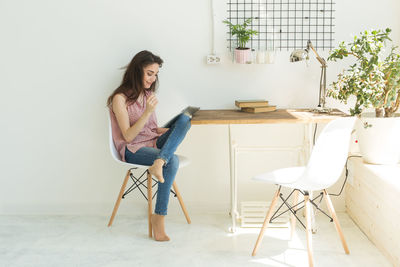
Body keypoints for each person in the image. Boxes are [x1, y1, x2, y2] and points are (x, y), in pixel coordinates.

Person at [107, 50, 191, 241]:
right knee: (173, 160)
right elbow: (128, 136)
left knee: (185, 120)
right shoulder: (120, 98)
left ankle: (159, 162)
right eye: (149, 73)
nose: (153, 78)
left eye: (155, 74)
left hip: (152, 141)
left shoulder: (148, 94)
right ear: (137, 71)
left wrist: (174, 129)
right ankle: (159, 217)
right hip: (133, 149)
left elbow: (151, 130)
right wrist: (147, 112)